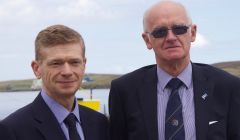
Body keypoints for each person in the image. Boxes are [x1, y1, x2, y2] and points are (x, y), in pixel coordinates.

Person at [108, 1, 240, 140]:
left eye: (179, 29)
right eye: (160, 32)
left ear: (193, 33)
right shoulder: (124, 91)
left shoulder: (228, 87)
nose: (171, 38)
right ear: (147, 40)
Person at [0, 25, 109, 140]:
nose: (67, 72)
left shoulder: (100, 123)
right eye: (56, 63)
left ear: (84, 64)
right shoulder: (12, 130)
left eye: (74, 62)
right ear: (37, 69)